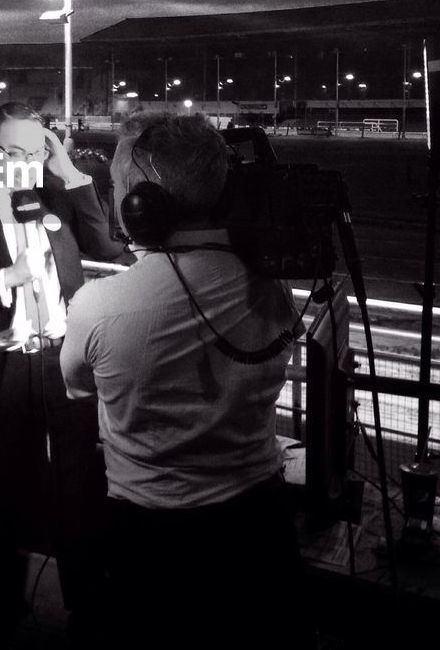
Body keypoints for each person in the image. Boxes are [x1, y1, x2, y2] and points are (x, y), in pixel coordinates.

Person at [60, 113, 305, 644]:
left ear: (143, 207)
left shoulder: (97, 307)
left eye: (121, 189)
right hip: (260, 536)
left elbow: (77, 387)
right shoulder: (274, 292)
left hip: (151, 548)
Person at [0, 101, 127, 643]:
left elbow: (109, 249)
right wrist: (2, 279)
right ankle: (0, 610)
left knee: (80, 488)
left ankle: (87, 608)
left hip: (63, 362)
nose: (29, 162)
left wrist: (73, 174)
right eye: (17, 152)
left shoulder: (58, 191)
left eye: (37, 151)